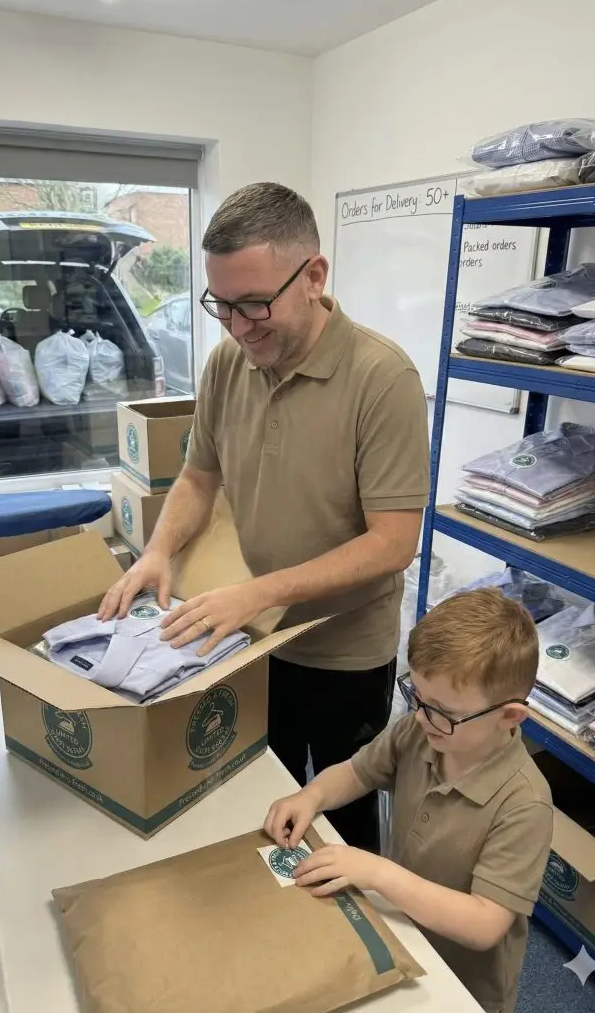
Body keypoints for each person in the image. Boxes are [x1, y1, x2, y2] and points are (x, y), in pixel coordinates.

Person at [99, 181, 429, 851]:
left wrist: (262, 589)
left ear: (313, 276)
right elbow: (197, 476)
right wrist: (157, 551)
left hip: (344, 653)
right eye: (221, 306)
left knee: (341, 825)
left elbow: (392, 543)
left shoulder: (381, 378)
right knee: (251, 800)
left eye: (254, 304)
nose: (238, 326)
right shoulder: (227, 362)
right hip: (248, 640)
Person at [264, 588, 554, 1013]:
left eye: (443, 710)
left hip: (465, 987)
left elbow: (485, 923)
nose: (421, 715)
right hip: (401, 933)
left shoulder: (524, 804)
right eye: (416, 696)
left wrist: (379, 872)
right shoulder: (420, 731)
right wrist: (313, 794)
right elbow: (358, 771)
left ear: (509, 716)